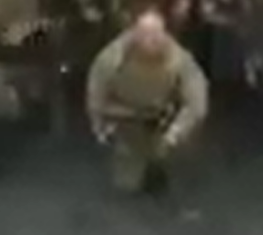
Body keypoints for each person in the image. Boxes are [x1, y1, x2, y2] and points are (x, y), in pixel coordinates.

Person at [84, 10, 209, 194]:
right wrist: (100, 126)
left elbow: (197, 102)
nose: (152, 40)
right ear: (134, 34)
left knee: (175, 177)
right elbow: (96, 96)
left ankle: (163, 164)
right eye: (145, 35)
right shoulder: (111, 59)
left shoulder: (179, 59)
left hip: (165, 119)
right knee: (126, 186)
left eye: (156, 34)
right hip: (127, 120)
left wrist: (176, 132)